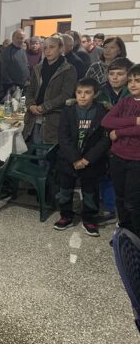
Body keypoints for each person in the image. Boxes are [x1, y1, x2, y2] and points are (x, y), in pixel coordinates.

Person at [53, 78, 110, 237]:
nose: (82, 96)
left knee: (90, 191)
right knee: (65, 189)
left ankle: (89, 218)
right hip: (69, 159)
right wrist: (75, 159)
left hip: (91, 161)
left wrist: (87, 159)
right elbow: (63, 137)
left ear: (95, 94)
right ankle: (66, 215)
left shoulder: (102, 112)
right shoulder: (68, 111)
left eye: (87, 92)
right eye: (79, 92)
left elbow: (105, 140)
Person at [101, 64, 140, 237]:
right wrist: (135, 120)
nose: (132, 84)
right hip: (118, 156)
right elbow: (106, 121)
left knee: (133, 202)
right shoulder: (125, 101)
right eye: (130, 81)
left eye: (137, 81)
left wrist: (118, 132)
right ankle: (124, 234)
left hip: (136, 160)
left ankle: (136, 237)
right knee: (121, 198)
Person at [95, 57, 133, 223]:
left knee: (124, 179)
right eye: (112, 74)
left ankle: (124, 212)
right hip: (102, 138)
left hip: (126, 141)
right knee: (104, 173)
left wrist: (118, 129)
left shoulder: (132, 93)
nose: (115, 77)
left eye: (120, 74)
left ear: (128, 75)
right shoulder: (100, 91)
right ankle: (108, 207)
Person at [22, 36, 77, 145]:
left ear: (60, 49)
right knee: (32, 148)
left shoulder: (68, 69)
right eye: (45, 48)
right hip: (33, 116)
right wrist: (30, 105)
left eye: (52, 47)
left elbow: (65, 95)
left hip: (53, 118)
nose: (47, 51)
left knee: (46, 151)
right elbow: (30, 90)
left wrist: (45, 107)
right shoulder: (38, 68)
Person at [0, 29, 30, 93]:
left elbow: (26, 66)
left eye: (21, 38)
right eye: (17, 38)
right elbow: (3, 70)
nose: (20, 40)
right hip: (12, 87)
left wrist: (28, 78)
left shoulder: (22, 50)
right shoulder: (6, 51)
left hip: (24, 85)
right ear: (13, 38)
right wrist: (10, 84)